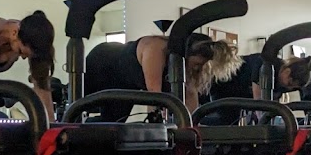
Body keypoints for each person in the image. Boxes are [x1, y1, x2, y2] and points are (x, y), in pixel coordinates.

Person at [84, 32, 242, 121]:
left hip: (124, 83)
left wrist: (192, 127)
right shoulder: (156, 48)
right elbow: (155, 95)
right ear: (186, 55)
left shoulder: (186, 67)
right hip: (101, 63)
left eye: (201, 65)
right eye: (196, 64)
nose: (197, 69)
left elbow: (190, 95)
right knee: (77, 112)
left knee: (112, 126)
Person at [204, 52, 311, 123]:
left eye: (292, 87)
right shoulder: (266, 63)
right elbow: (259, 100)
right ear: (287, 72)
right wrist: (264, 119)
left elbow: (273, 102)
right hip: (221, 84)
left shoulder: (285, 83)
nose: (289, 88)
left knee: (231, 123)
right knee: (222, 120)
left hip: (237, 97)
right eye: (290, 84)